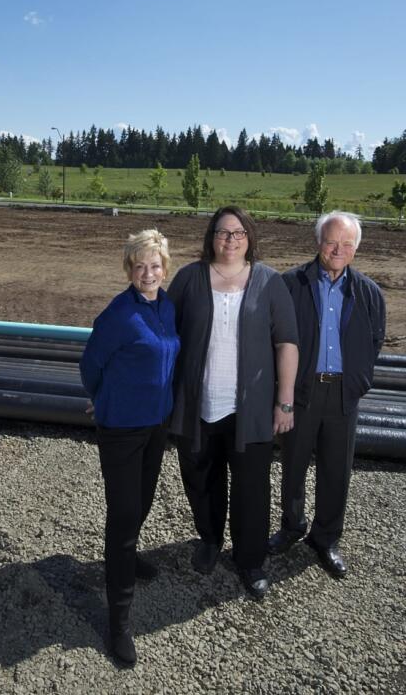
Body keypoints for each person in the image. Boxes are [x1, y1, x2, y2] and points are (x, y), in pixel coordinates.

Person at [167, 206, 298, 600]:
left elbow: (287, 343)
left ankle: (250, 559)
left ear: (250, 238)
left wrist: (285, 402)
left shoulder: (269, 282)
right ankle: (209, 539)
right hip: (198, 405)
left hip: (251, 409)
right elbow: (164, 332)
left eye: (238, 233)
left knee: (251, 487)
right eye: (223, 232)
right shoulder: (190, 278)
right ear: (211, 237)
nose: (230, 240)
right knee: (201, 478)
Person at [79, 228, 180, 666]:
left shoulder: (169, 310)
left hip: (156, 425)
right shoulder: (118, 315)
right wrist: (103, 402)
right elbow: (90, 366)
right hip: (120, 428)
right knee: (122, 518)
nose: (148, 273)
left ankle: (131, 553)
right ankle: (118, 621)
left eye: (155, 266)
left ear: (165, 269)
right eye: (140, 267)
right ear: (129, 269)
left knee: (142, 501)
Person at [269, 210, 386, 579]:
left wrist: (357, 382)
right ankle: (291, 526)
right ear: (318, 242)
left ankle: (326, 538)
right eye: (331, 241)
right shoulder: (291, 284)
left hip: (342, 396)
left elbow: (374, 341)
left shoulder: (368, 293)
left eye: (346, 244)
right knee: (293, 466)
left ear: (355, 249)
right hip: (301, 392)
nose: (338, 249)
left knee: (337, 472)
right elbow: (274, 337)